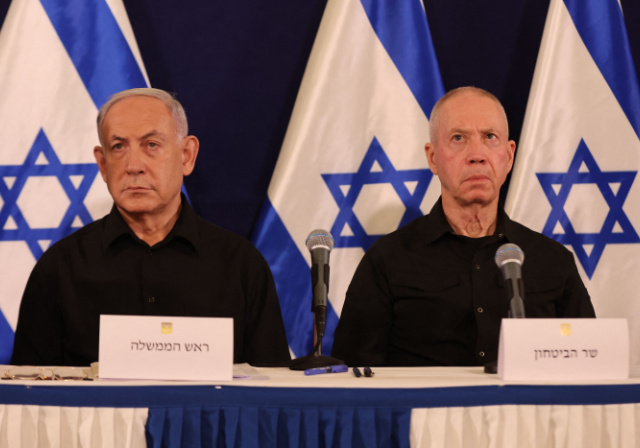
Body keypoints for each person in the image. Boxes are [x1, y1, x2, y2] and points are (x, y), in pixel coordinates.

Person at [11, 88, 290, 367]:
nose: (133, 165)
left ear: (187, 156)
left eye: (151, 145)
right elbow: (29, 399)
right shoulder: (60, 268)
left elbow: (272, 393)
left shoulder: (241, 265)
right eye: (118, 147)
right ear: (103, 164)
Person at [331, 86, 595, 367]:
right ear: (433, 158)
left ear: (509, 156)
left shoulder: (553, 261)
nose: (477, 154)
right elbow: (353, 377)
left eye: (489, 137)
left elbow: (588, 365)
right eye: (459, 138)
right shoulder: (387, 260)